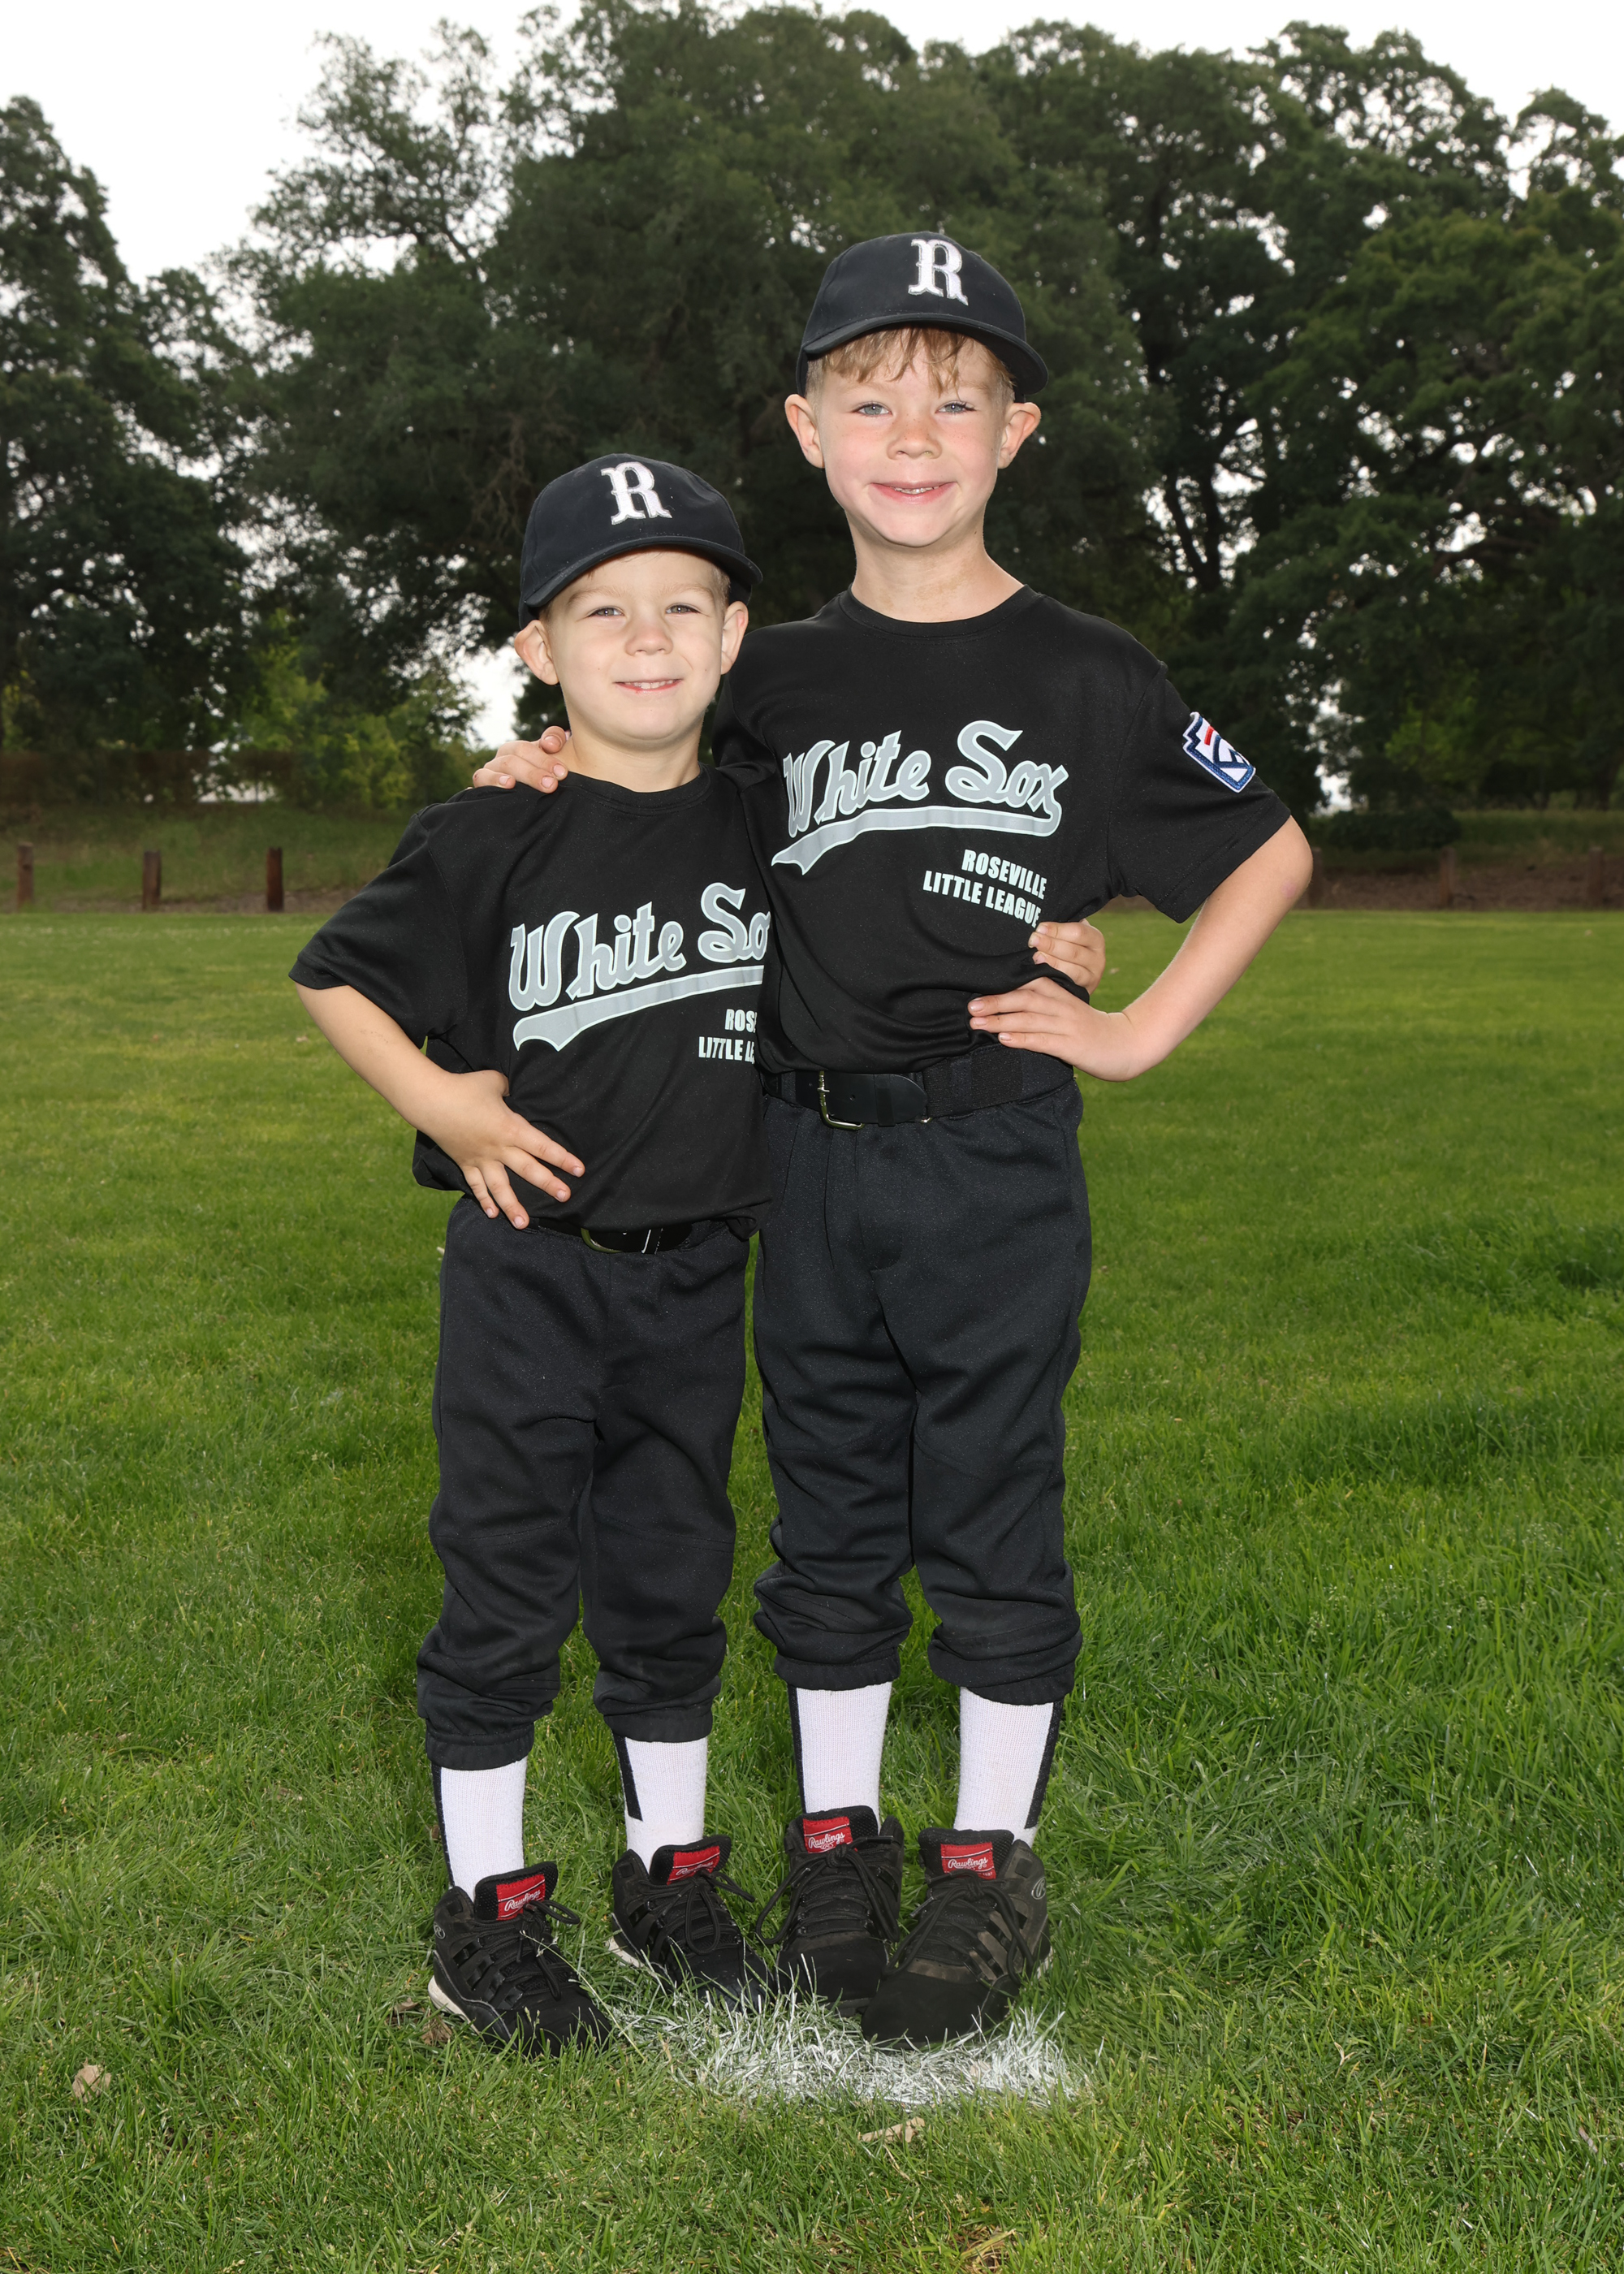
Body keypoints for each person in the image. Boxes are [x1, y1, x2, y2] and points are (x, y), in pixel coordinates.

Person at [477, 234, 1312, 2047]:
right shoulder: (760, 677)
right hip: (798, 1155)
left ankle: (987, 1856)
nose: (912, 435)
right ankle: (839, 1840)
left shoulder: (1089, 670)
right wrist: (537, 765)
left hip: (994, 1152)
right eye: (868, 402)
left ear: (1020, 431)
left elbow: (1266, 844)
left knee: (993, 1496)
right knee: (832, 1501)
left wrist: (1137, 1025)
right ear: (806, 431)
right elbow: (628, 785)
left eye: (955, 400)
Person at [289, 456, 786, 2056]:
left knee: (672, 1575)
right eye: (602, 610)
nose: (646, 639)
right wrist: (442, 1100)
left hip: (696, 1273)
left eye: (682, 607)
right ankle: (486, 1917)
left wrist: (1068, 935)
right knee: (505, 1585)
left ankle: (667, 1883)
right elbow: (336, 976)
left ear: (732, 636)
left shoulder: (769, 814)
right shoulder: (492, 830)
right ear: (538, 648)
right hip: (529, 1269)